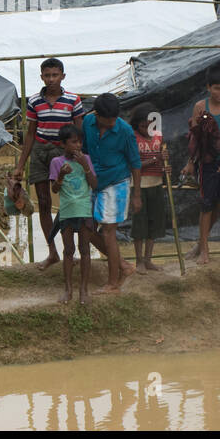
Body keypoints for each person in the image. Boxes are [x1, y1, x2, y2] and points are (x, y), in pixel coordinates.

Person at [12, 58, 86, 270]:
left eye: (55, 75)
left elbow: (80, 132)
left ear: (63, 76)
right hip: (40, 152)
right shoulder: (35, 101)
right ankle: (53, 251)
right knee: (43, 202)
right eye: (47, 75)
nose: (51, 79)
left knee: (69, 202)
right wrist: (20, 166)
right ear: (42, 77)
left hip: (64, 153)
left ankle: (70, 251)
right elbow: (30, 134)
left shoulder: (73, 100)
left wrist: (80, 157)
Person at [82, 93, 141, 294]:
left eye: (115, 118)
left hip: (117, 183)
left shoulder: (124, 130)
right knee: (86, 227)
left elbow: (135, 163)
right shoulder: (87, 122)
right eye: (108, 119)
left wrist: (136, 194)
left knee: (108, 232)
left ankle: (113, 282)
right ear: (96, 114)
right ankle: (123, 266)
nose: (112, 123)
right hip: (93, 182)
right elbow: (83, 152)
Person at [189, 66, 220, 263]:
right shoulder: (200, 107)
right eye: (217, 88)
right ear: (209, 87)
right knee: (206, 206)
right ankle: (204, 251)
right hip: (207, 164)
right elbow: (194, 139)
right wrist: (191, 162)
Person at [48, 125, 97, 304]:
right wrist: (60, 175)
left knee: (85, 250)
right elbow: (54, 189)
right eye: (73, 142)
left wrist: (85, 166)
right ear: (63, 144)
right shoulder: (56, 162)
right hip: (67, 211)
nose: (78, 145)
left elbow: (94, 184)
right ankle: (68, 290)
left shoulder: (87, 159)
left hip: (84, 210)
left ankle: (84, 290)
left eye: (80, 142)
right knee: (69, 251)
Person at [130, 105, 168, 273]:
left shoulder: (159, 137)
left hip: (156, 184)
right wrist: (155, 159)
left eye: (150, 126)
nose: (147, 129)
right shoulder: (132, 138)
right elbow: (134, 164)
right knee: (139, 224)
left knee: (154, 223)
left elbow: (162, 159)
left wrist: (165, 166)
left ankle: (148, 260)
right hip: (138, 185)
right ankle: (138, 261)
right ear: (136, 125)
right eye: (143, 126)